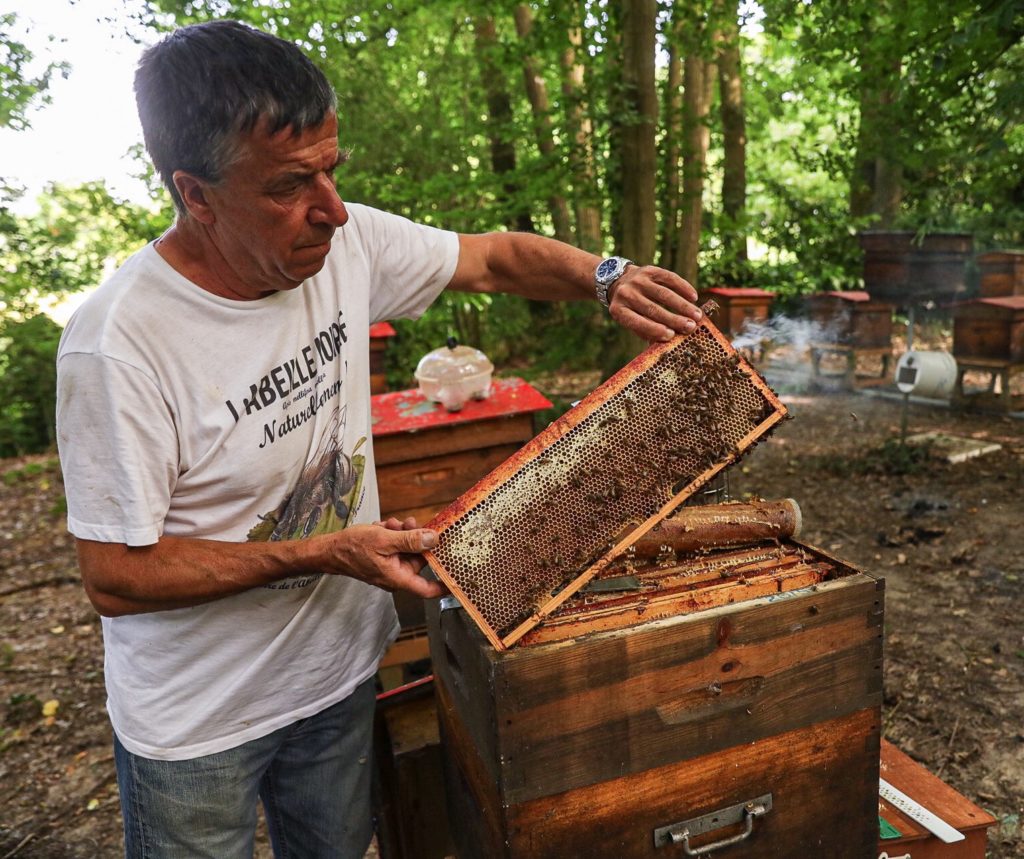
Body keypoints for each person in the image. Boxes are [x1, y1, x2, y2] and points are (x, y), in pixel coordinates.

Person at [54, 19, 703, 859]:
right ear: (197, 194)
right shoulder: (119, 346)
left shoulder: (344, 240)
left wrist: (607, 277)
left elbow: (496, 259)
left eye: (332, 169)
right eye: (290, 185)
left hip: (335, 676)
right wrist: (324, 552)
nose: (329, 209)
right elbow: (114, 574)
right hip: (197, 721)